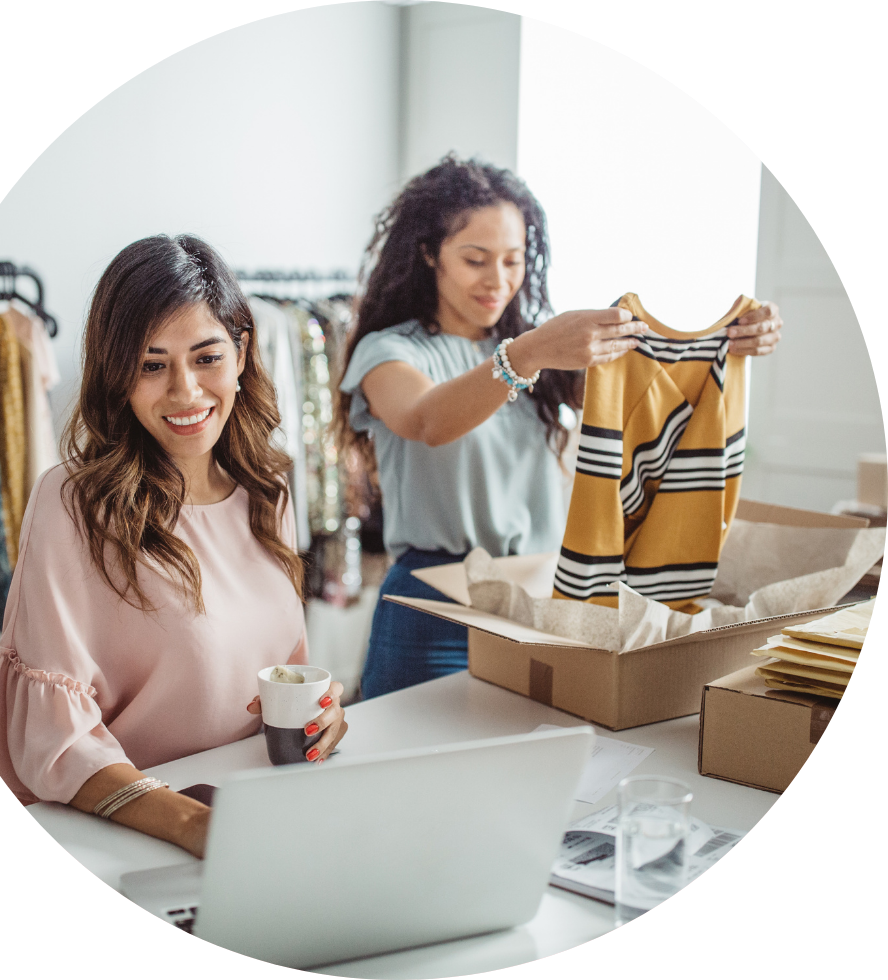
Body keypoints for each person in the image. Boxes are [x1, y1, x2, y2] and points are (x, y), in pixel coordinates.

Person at [336, 154, 783, 700]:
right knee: (406, 770)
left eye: (513, 260)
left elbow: (650, 390)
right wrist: (528, 353)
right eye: (476, 259)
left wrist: (732, 340)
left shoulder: (541, 353)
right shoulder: (391, 351)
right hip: (434, 608)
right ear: (430, 254)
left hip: (539, 600)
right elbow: (427, 420)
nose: (497, 281)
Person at [0, 235, 347, 859]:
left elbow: (277, 676)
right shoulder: (73, 505)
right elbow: (57, 743)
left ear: (241, 353)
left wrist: (321, 718)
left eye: (206, 358)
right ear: (117, 375)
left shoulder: (269, 493)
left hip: (259, 815)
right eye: (152, 365)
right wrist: (196, 827)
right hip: (127, 840)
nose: (185, 392)